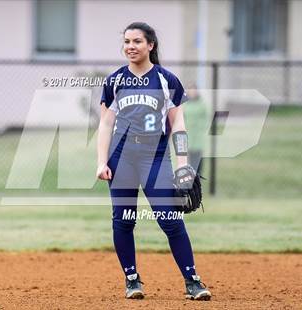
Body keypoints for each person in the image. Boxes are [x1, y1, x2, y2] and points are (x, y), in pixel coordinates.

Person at [96, 22, 212, 301]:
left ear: (151, 45)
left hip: (154, 158)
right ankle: (132, 280)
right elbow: (105, 124)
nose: (130, 47)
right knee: (123, 220)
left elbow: (179, 124)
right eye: (127, 41)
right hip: (121, 159)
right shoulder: (115, 81)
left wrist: (183, 163)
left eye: (137, 41)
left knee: (170, 220)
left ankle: (192, 281)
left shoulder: (166, 80)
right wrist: (101, 161)